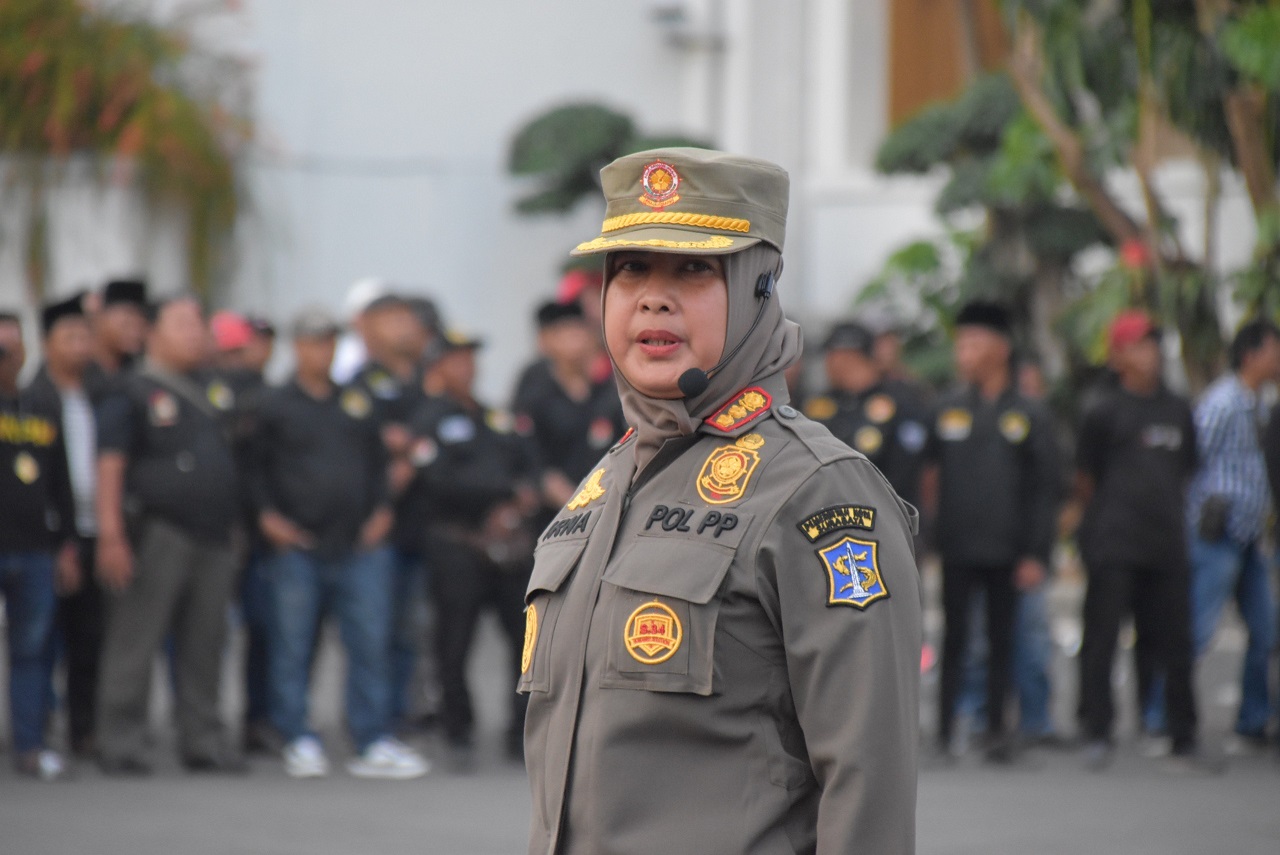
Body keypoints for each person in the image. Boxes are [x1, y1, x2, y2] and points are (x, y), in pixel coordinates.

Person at [521, 148, 921, 854]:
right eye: (631, 269)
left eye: (694, 269)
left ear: (760, 289)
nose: (653, 296)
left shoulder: (817, 488)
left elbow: (868, 775)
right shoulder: (607, 482)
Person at [249, 307, 428, 780]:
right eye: (311, 342)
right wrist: (267, 518)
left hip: (358, 545)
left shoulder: (356, 400)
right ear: (296, 347)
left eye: (328, 342)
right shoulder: (275, 404)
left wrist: (383, 511)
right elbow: (254, 469)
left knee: (370, 642)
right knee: (294, 644)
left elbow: (377, 463)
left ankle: (369, 737)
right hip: (300, 544)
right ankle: (296, 735)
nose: (320, 351)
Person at [94, 296, 245, 776]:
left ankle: (202, 739)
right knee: (136, 641)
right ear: (152, 333)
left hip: (214, 536)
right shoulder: (132, 391)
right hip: (160, 532)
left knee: (206, 644)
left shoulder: (212, 391)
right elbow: (110, 465)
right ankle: (121, 741)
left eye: (199, 324)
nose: (195, 333)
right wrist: (111, 535)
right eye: (181, 323)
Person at [924, 301, 1061, 764]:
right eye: (960, 343)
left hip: (1009, 550)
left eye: (974, 342)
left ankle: (998, 731)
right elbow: (928, 477)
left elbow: (1045, 490)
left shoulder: (1030, 414)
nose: (963, 352)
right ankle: (944, 732)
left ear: (1001, 349)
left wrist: (1036, 553)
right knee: (955, 638)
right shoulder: (945, 409)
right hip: (959, 547)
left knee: (1006, 640)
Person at [1074, 310, 1201, 770]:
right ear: (1118, 354)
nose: (1151, 354)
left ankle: (1181, 732)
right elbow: (1085, 476)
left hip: (1166, 541)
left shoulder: (1177, 407)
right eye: (1140, 345)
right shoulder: (1102, 409)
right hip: (1115, 541)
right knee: (1103, 637)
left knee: (1174, 640)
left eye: (1154, 345)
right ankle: (1096, 729)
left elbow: (1187, 468)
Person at [406, 330, 540, 767]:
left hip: (506, 546)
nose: (466, 368)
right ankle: (457, 727)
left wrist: (522, 494)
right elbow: (436, 479)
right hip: (457, 543)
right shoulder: (429, 420)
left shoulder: (496, 416)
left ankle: (519, 727)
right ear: (439, 367)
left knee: (523, 638)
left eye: (470, 359)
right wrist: (501, 492)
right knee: (454, 641)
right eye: (456, 360)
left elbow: (528, 464)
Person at [1184, 319, 1280, 752]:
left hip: (1248, 535)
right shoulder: (1222, 403)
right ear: (1251, 355)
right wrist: (1196, 518)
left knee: (1265, 630)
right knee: (1197, 629)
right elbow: (1190, 462)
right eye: (1273, 350)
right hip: (1217, 535)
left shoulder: (1258, 403)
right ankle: (1165, 716)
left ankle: (1253, 719)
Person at [0, 311, 77, 780]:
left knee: (33, 650)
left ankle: (30, 743)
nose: (5, 359)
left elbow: (62, 482)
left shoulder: (43, 405)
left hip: (34, 550)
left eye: (12, 349)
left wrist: (66, 543)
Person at [26, 294, 102, 760]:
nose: (79, 346)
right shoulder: (31, 398)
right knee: (38, 639)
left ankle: (83, 728)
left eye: (84, 336)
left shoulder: (99, 393)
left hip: (96, 528)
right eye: (69, 337)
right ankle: (36, 727)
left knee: (89, 639)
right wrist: (62, 540)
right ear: (47, 344)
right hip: (49, 534)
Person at [513, 300, 626, 530]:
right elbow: (536, 465)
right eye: (566, 333)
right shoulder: (535, 394)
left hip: (611, 509)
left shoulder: (610, 390)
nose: (577, 339)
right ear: (548, 341)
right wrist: (581, 507)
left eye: (580, 330)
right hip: (557, 519)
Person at [803, 319, 927, 507]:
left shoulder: (900, 401)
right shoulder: (817, 404)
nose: (828, 364)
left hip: (887, 511)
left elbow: (908, 470)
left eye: (832, 356)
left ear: (848, 357)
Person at [83, 278, 148, 401]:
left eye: (140, 325)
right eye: (127, 324)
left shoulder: (140, 369)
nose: (136, 333)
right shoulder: (78, 370)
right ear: (100, 317)